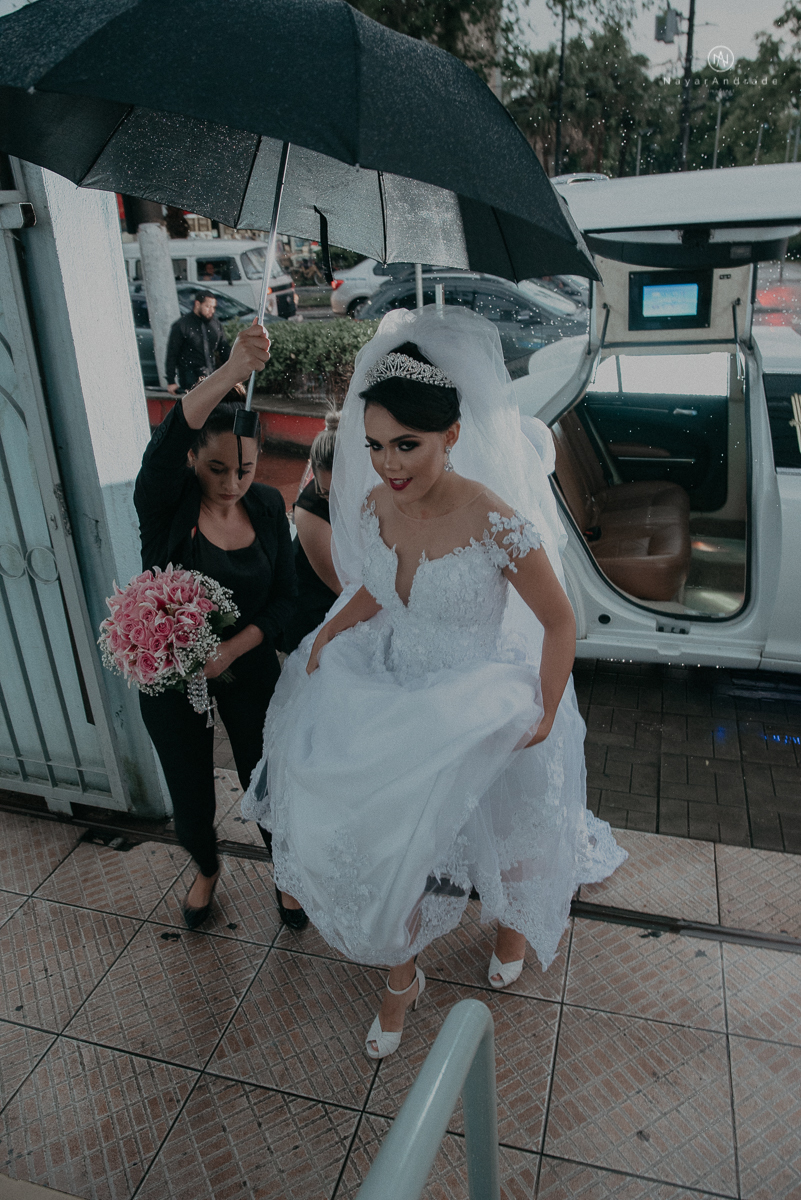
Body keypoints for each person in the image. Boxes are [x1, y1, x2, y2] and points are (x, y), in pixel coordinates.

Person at [242, 306, 625, 1058]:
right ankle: (400, 975)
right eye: (375, 445)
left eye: (407, 445)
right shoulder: (375, 503)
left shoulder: (495, 519)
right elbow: (377, 587)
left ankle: (511, 921)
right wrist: (336, 630)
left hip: (474, 687)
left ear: (451, 435)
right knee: (385, 840)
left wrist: (547, 707)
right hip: (393, 679)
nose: (389, 464)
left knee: (505, 819)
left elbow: (558, 621)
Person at [134, 321, 307, 932]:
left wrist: (235, 647)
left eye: (245, 470)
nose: (232, 484)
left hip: (248, 663)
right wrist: (233, 371)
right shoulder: (165, 504)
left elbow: (285, 599)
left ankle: (285, 871)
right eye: (216, 469)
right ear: (192, 459)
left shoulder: (267, 505)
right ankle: (206, 867)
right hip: (169, 673)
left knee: (267, 774)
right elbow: (166, 441)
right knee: (188, 786)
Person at [281, 411, 342, 654]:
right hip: (315, 610)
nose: (335, 501)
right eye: (327, 493)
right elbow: (341, 586)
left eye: (341, 490)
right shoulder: (309, 511)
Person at [165, 291, 230, 395]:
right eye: (208, 306)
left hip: (211, 375)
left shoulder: (215, 325)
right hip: (190, 378)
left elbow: (224, 350)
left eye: (213, 307)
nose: (212, 311)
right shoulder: (182, 325)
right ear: (197, 304)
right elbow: (172, 354)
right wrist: (171, 381)